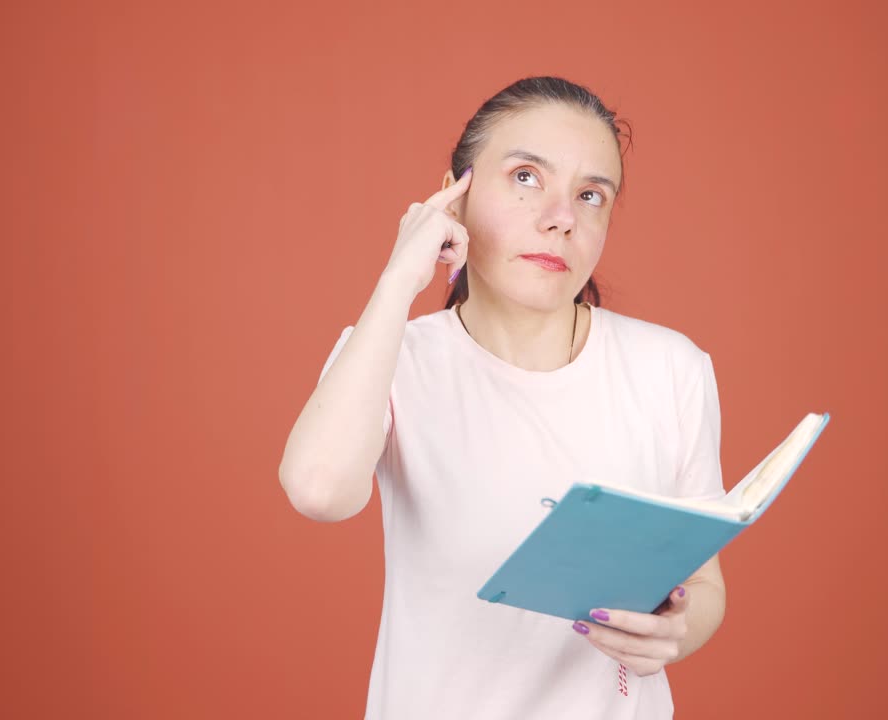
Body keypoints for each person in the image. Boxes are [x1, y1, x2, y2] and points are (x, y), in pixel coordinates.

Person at [279, 76, 727, 719]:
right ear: (453, 196)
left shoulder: (671, 368)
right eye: (525, 177)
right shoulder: (391, 357)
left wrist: (672, 632)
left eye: (591, 195)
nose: (561, 216)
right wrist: (398, 279)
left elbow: (704, 584)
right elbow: (319, 489)